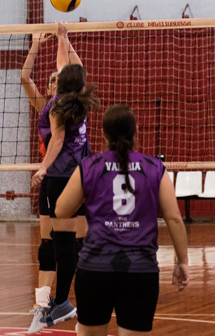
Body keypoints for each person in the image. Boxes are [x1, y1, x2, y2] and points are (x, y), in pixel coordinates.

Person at [54, 104, 189, 336]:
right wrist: (183, 262)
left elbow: (61, 211)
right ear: (136, 131)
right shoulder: (155, 168)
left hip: (95, 268)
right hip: (140, 269)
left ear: (103, 134)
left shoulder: (89, 167)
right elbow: (174, 219)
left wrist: (92, 196)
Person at [28, 23, 100, 334]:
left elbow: (57, 140)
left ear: (60, 83)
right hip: (82, 174)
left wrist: (43, 168)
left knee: (62, 242)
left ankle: (60, 303)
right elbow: (71, 67)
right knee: (68, 242)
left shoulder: (58, 105)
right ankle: (62, 302)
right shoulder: (79, 98)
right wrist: (63, 38)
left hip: (60, 176)